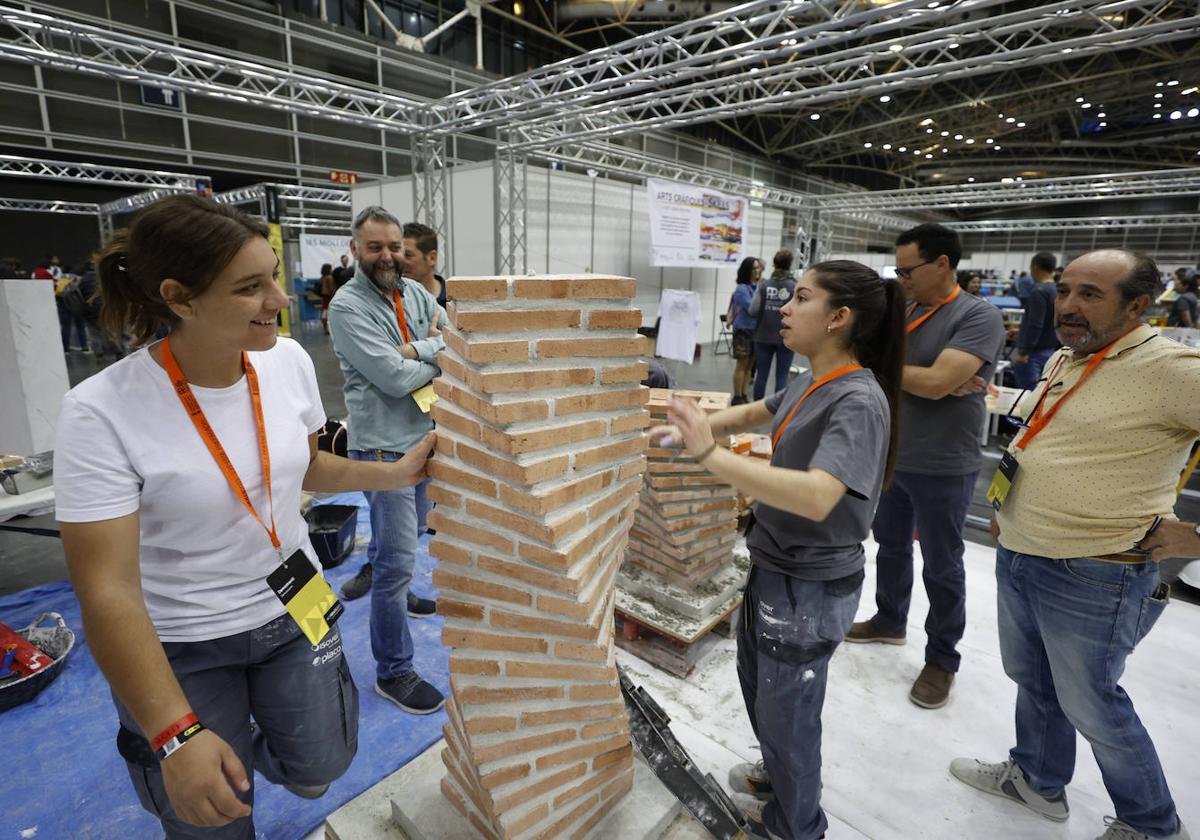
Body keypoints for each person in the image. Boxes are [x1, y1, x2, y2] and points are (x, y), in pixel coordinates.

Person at [53, 194, 435, 839]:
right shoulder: (100, 412)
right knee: (214, 817)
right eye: (251, 288)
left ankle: (241, 738)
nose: (282, 301)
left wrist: (397, 474)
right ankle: (206, 738)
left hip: (295, 608)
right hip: (183, 642)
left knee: (320, 766)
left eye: (275, 278)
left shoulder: (284, 362)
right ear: (180, 297)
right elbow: (106, 589)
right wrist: (177, 734)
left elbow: (305, 467)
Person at [652, 260, 905, 840]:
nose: (783, 308)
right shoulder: (810, 378)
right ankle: (779, 774)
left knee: (789, 716)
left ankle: (797, 827)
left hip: (809, 587)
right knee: (762, 689)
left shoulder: (858, 401)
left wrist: (708, 457)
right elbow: (755, 412)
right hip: (775, 565)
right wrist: (677, 430)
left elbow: (819, 497)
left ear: (839, 318)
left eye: (801, 298)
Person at [952, 249, 1197, 840]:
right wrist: (993, 397)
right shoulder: (1072, 356)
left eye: (1090, 294)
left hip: (1098, 571)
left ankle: (1151, 825)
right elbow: (1057, 418)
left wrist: (1194, 535)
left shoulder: (1174, 371)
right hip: (1024, 550)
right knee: (1032, 678)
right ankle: (1037, 780)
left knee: (1093, 704)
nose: (1068, 307)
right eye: (1064, 291)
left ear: (1138, 306)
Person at [847, 223, 1006, 710]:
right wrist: (918, 376)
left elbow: (936, 383)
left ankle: (941, 659)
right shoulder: (907, 308)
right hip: (894, 453)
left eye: (907, 269)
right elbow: (867, 358)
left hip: (944, 461)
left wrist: (904, 374)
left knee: (942, 564)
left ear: (942, 263)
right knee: (890, 546)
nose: (901, 278)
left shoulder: (978, 317)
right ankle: (890, 620)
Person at [327, 205, 446, 715]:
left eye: (394, 246)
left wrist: (416, 349)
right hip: (382, 449)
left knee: (410, 535)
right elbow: (393, 380)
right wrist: (433, 354)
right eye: (374, 247)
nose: (387, 256)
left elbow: (455, 341)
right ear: (356, 249)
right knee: (398, 565)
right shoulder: (347, 307)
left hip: (423, 440)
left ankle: (392, 584)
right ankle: (393, 671)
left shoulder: (415, 292)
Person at [749, 249, 797, 401]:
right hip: (786, 337)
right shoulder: (795, 287)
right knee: (782, 376)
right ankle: (779, 413)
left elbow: (753, 310)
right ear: (790, 265)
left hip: (763, 335)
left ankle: (755, 409)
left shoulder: (764, 284)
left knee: (761, 375)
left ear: (774, 264)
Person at [1012, 252, 1060, 389]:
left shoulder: (1038, 292)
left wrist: (1024, 352)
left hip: (1034, 353)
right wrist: (1021, 331)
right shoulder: (1057, 290)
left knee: (1028, 395)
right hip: (1050, 350)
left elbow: (1035, 325)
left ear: (1035, 267)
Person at [727, 256, 763, 404]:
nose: (757, 271)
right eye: (754, 268)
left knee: (750, 366)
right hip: (743, 330)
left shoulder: (758, 287)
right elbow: (751, 308)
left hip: (756, 330)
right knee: (742, 365)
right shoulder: (742, 289)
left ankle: (744, 394)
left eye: (758, 267)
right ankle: (737, 397)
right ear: (747, 270)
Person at [402, 221, 446, 308]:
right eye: (398, 254)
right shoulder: (392, 302)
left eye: (407, 255)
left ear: (431, 258)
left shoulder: (453, 301)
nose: (400, 262)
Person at [318, 263, 336, 335]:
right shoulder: (330, 277)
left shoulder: (322, 278)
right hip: (329, 297)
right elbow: (331, 288)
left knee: (324, 311)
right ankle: (328, 329)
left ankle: (325, 328)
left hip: (324, 296)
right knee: (327, 312)